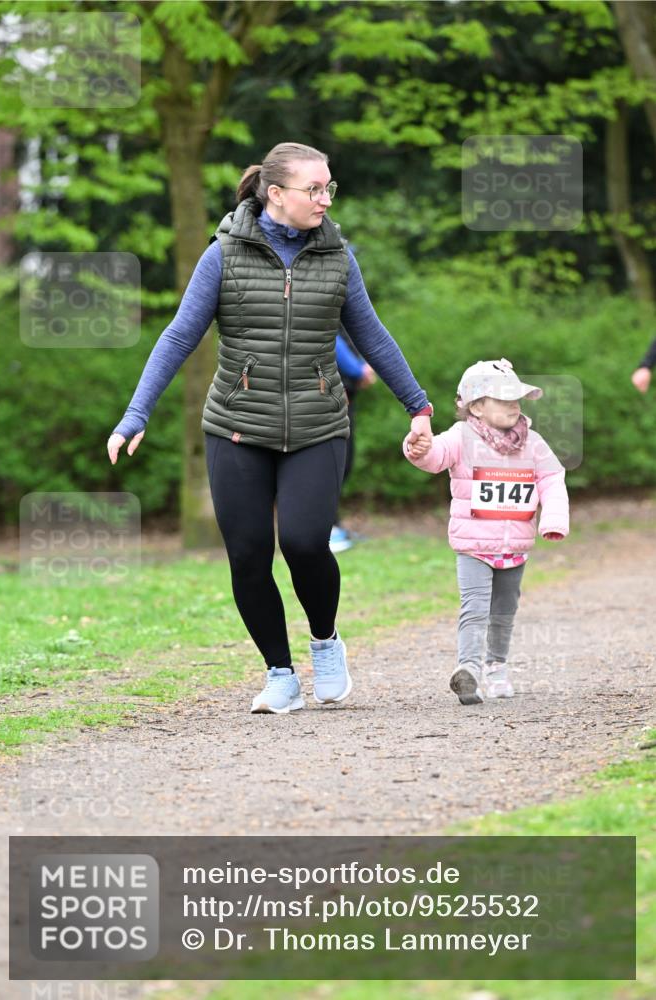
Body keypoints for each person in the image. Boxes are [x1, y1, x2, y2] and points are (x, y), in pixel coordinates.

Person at [107, 141, 433, 715]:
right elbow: (179, 336)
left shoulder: (337, 258)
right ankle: (280, 673)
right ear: (275, 194)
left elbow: (372, 335)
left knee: (305, 543)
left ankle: (326, 641)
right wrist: (137, 413)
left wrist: (418, 405)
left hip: (317, 423)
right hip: (236, 426)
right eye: (315, 189)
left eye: (329, 188)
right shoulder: (223, 255)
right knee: (248, 556)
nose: (325, 199)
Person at [404, 358, 568, 705]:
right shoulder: (460, 436)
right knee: (474, 608)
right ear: (476, 407)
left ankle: (496, 668)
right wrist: (419, 448)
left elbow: (552, 478)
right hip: (473, 545)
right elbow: (436, 457)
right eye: (503, 399)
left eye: (516, 399)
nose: (513, 405)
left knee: (504, 612)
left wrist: (554, 519)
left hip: (514, 546)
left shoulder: (533, 442)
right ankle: (468, 671)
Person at [329, 326, 376, 553]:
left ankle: (334, 525)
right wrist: (358, 370)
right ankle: (328, 529)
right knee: (332, 466)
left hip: (346, 396)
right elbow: (332, 338)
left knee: (343, 466)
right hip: (330, 396)